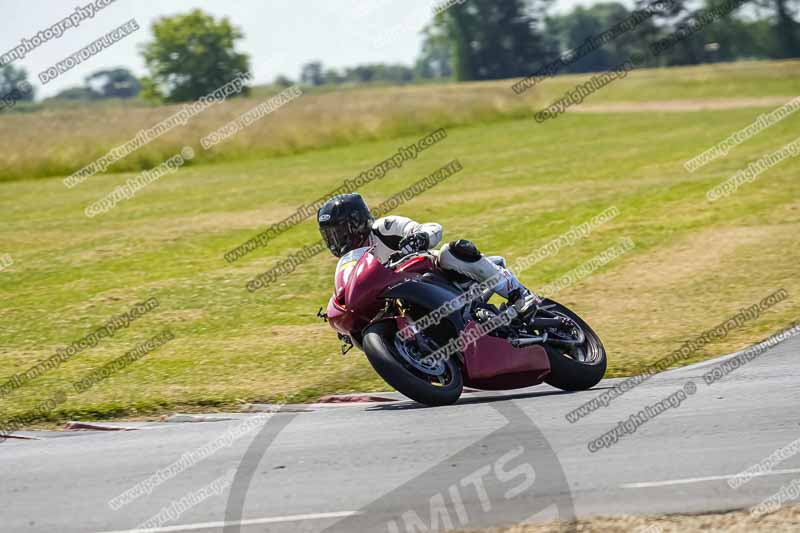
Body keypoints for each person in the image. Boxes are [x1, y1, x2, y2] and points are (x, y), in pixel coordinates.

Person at [317, 193, 540, 316]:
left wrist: (419, 237)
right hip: (408, 303)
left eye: (339, 232)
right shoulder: (351, 264)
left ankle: (519, 294)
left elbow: (433, 227)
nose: (336, 241)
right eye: (330, 236)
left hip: (439, 277)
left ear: (356, 223)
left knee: (451, 252)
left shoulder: (384, 228)